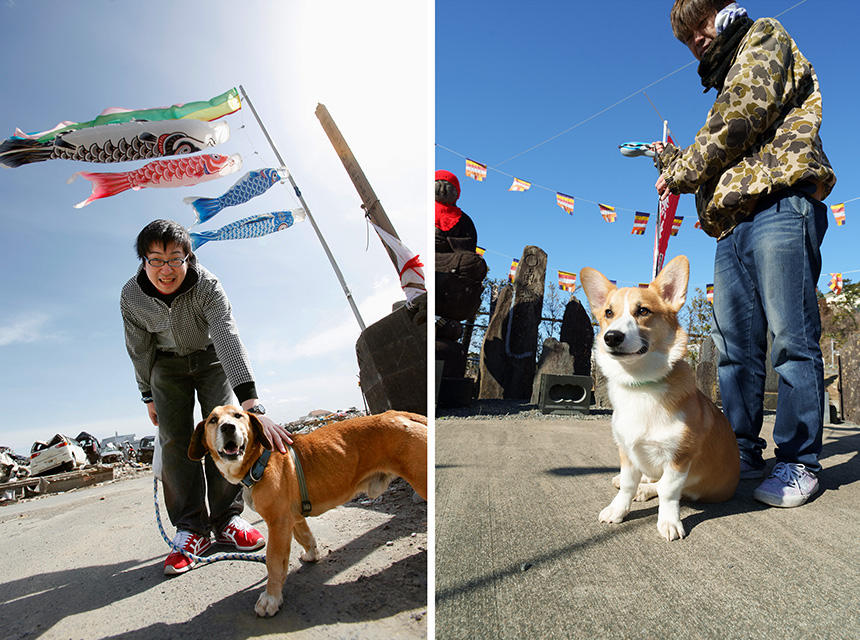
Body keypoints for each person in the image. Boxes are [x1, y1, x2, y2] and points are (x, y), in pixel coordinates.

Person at [653, 1, 836, 507]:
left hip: (781, 205)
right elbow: (717, 146)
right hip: (730, 225)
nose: (696, 38)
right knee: (736, 350)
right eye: (686, 35)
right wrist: (669, 158)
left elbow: (741, 114)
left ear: (723, 9)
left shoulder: (764, 35)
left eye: (700, 23)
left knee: (792, 338)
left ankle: (800, 460)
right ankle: (739, 449)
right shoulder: (721, 75)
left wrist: (681, 169)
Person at [120, 219, 293, 574]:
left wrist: (250, 402)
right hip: (165, 367)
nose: (166, 270)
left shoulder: (208, 286)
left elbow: (227, 336)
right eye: (156, 260)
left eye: (175, 259)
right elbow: (139, 349)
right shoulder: (131, 297)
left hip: (211, 357)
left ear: (188, 257)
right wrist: (147, 394)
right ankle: (190, 528)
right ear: (143, 261)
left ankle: (228, 519)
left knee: (222, 433)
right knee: (175, 442)